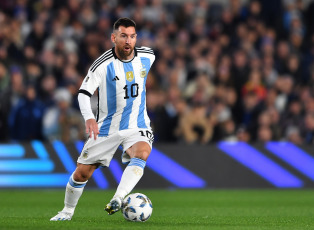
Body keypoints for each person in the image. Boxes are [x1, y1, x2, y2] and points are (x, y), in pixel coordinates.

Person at [50, 18, 155, 221]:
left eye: (132, 36)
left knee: (142, 153)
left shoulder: (147, 56)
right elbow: (83, 93)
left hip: (137, 123)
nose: (128, 41)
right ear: (113, 37)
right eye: (123, 36)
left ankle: (118, 197)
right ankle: (67, 211)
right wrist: (89, 118)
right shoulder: (102, 64)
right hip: (106, 127)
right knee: (82, 174)